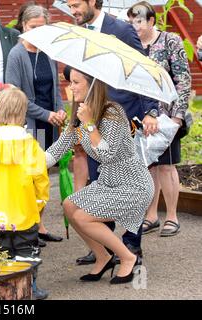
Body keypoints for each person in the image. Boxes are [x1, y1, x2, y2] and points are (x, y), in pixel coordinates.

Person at [65, 0, 159, 265]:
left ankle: (132, 245)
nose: (73, 12)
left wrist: (150, 110)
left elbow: (142, 70)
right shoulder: (78, 33)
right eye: (70, 6)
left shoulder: (122, 30)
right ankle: (105, 247)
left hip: (121, 119)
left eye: (76, 5)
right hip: (92, 118)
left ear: (93, 1)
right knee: (100, 185)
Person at [46, 68, 154, 284]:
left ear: (92, 85)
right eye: (70, 82)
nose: (71, 87)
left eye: (76, 82)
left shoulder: (113, 113)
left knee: (83, 217)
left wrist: (89, 124)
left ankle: (127, 257)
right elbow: (58, 149)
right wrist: (28, 164)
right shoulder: (79, 114)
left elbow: (107, 153)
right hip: (108, 182)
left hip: (133, 184)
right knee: (69, 206)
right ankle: (104, 257)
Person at [127, 1, 191, 237]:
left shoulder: (170, 41)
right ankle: (151, 215)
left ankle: (172, 216)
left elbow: (183, 81)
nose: (134, 27)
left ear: (151, 20)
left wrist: (177, 117)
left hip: (166, 117)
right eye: (131, 22)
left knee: (165, 165)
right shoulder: (131, 45)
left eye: (139, 22)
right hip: (137, 116)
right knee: (146, 165)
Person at [0, 87, 50, 299]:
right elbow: (40, 178)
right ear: (23, 113)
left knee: (0, 253)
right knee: (27, 252)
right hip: (24, 210)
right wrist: (39, 203)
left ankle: (3, 288)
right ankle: (30, 286)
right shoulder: (30, 144)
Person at [5, 5, 65, 244]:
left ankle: (39, 225)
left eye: (42, 28)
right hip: (30, 125)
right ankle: (29, 227)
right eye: (33, 27)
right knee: (30, 178)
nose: (37, 32)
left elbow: (55, 89)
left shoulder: (48, 53)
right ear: (23, 26)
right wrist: (47, 114)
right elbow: (16, 96)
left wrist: (59, 109)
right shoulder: (16, 55)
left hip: (50, 123)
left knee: (44, 176)